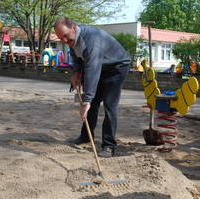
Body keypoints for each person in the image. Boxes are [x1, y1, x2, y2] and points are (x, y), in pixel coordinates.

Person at [54, 17, 131, 157]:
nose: (64, 40)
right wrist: (76, 72)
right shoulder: (73, 39)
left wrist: (87, 100)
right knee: (93, 104)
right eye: (61, 38)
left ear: (73, 28)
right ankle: (85, 137)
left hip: (117, 67)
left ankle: (109, 145)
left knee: (109, 105)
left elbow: (92, 70)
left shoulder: (92, 40)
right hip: (101, 67)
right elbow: (75, 53)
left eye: (65, 36)